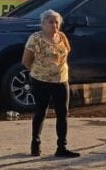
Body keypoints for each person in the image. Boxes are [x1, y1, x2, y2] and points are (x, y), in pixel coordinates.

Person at [23, 10, 79, 158]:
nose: (54, 25)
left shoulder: (62, 37)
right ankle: (35, 144)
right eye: (50, 22)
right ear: (43, 24)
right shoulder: (35, 38)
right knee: (41, 111)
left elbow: (67, 52)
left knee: (63, 113)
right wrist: (37, 73)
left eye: (56, 22)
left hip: (61, 80)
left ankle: (62, 146)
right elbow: (26, 60)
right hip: (41, 80)